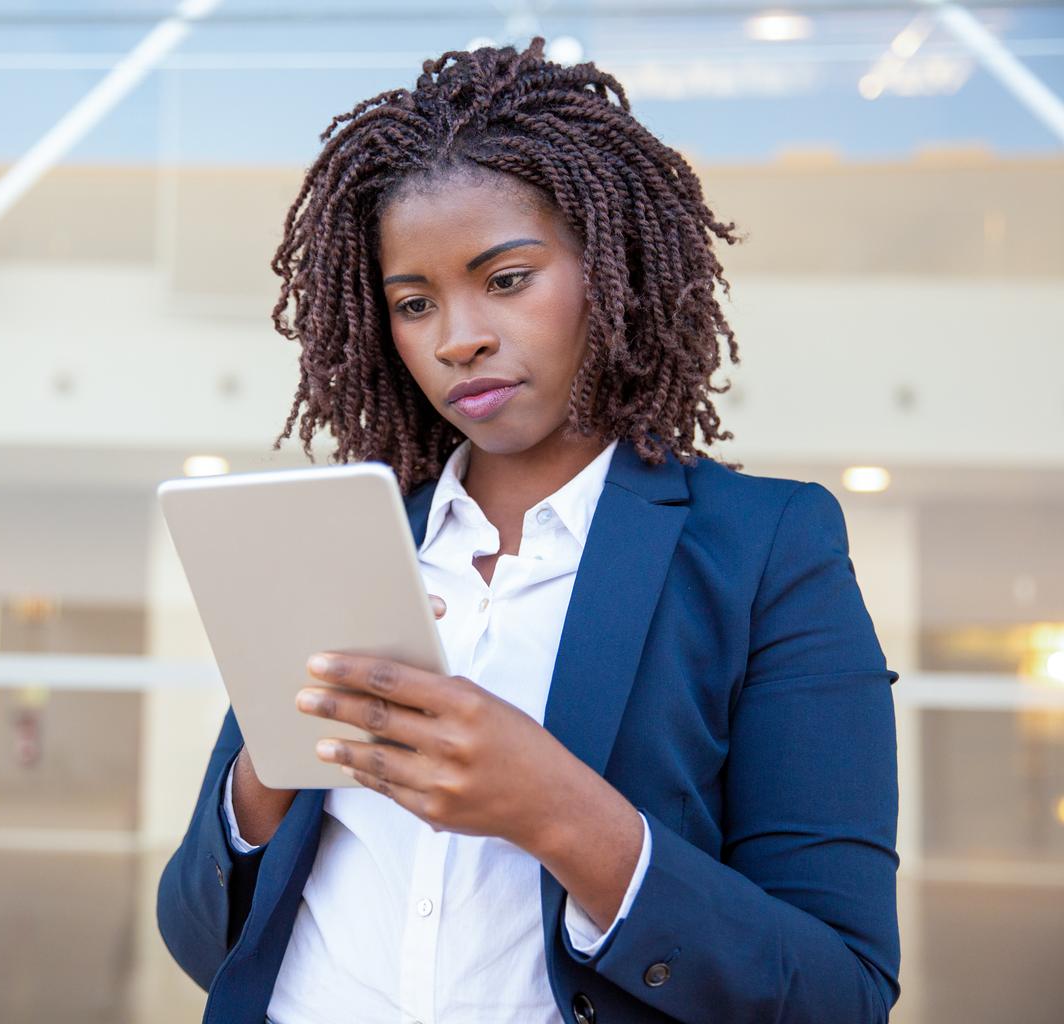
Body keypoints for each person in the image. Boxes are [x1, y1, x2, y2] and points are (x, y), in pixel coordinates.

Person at [157, 38, 899, 1024]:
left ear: (610, 265)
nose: (457, 335)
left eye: (504, 279)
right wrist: (265, 774)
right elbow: (203, 941)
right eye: (413, 302)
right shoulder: (353, 539)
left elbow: (837, 993)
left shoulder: (768, 549)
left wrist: (559, 811)